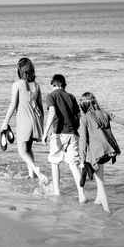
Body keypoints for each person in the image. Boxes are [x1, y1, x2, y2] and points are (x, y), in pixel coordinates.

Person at [78, 92, 124, 213]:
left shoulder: (84, 118)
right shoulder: (104, 113)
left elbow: (83, 140)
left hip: (98, 154)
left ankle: (107, 212)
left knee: (100, 185)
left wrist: (82, 160)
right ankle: (98, 201)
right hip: (110, 152)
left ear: (83, 107)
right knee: (100, 178)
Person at [1, 58, 48, 184]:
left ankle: (36, 170)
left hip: (24, 120)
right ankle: (31, 175)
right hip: (36, 119)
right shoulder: (37, 86)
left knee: (21, 150)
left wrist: (5, 123)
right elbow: (41, 106)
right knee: (28, 148)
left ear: (20, 70)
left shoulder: (17, 84)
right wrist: (41, 126)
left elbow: (13, 104)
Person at [41, 74, 86, 203]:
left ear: (53, 85)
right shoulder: (71, 97)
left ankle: (57, 191)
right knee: (73, 164)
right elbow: (78, 116)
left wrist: (45, 133)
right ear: (64, 85)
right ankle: (81, 194)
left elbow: (53, 113)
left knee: (55, 162)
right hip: (73, 133)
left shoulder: (51, 96)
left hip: (59, 133)